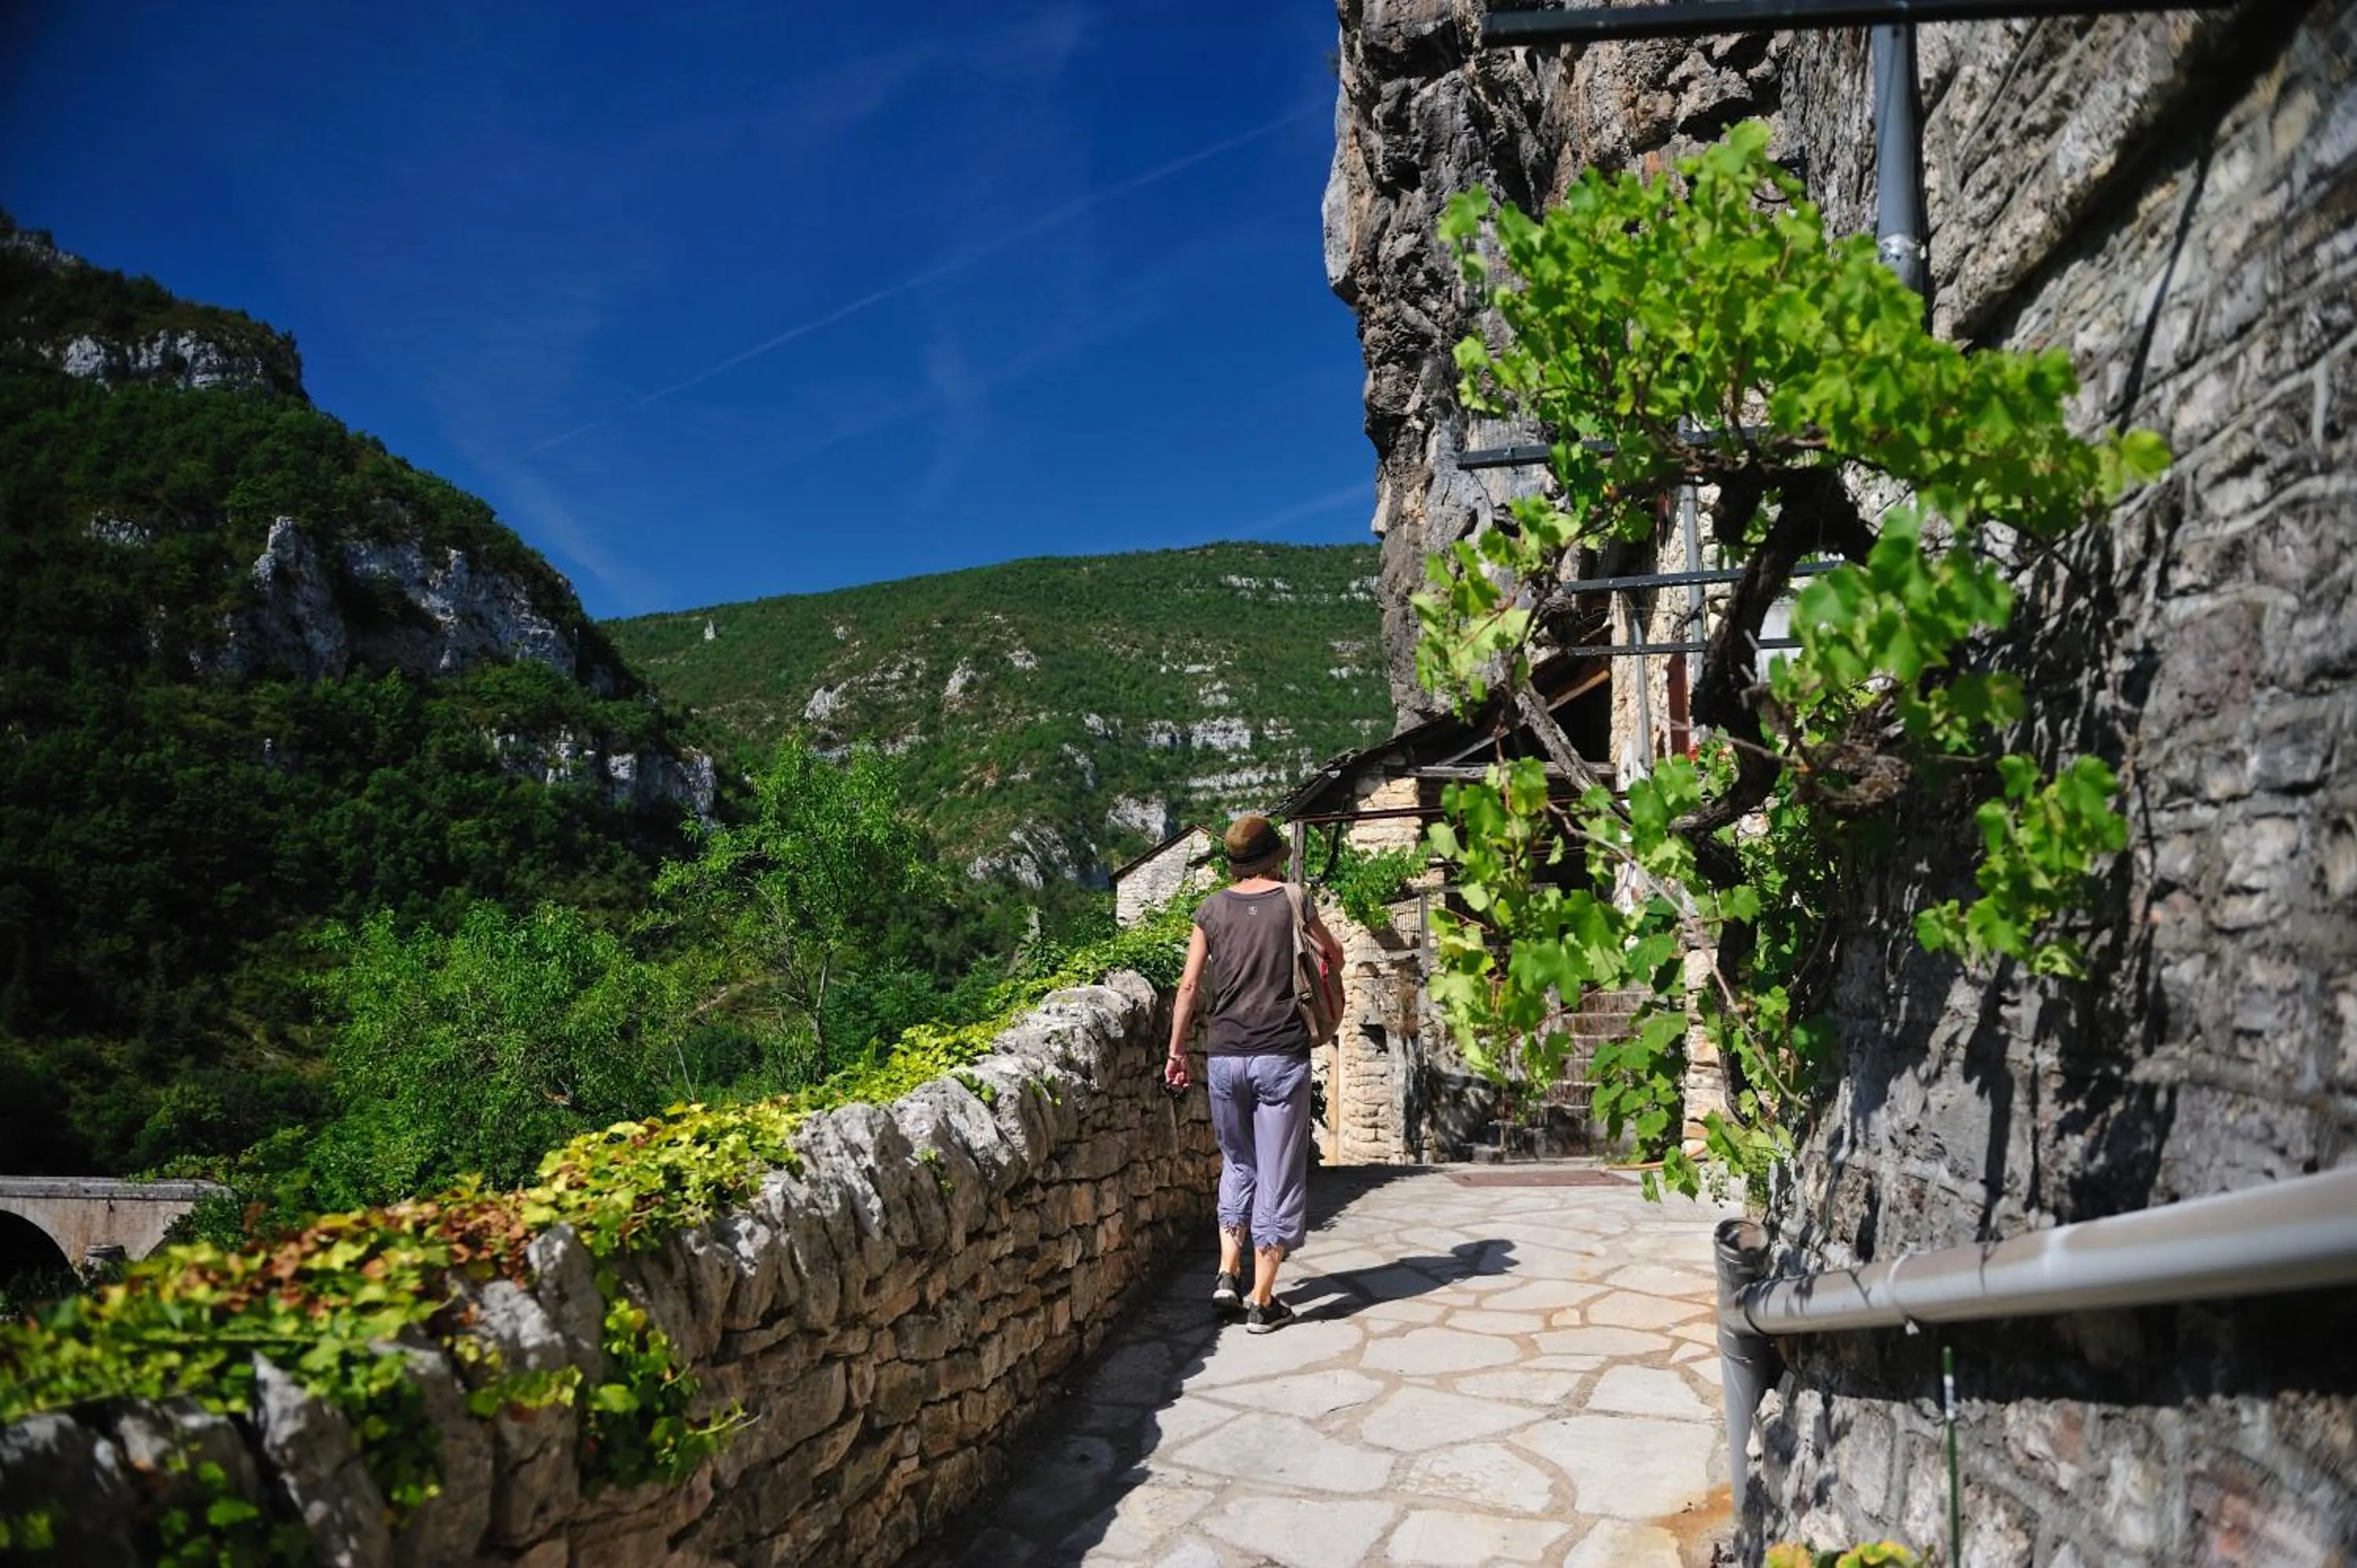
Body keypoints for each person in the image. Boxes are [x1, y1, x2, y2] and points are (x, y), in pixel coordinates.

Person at [1163, 814, 1343, 1333]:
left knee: (1238, 1163)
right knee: (1280, 1174)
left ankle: (1225, 1273)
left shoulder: (1211, 909)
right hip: (1281, 1053)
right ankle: (1263, 1302)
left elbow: (1190, 986)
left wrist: (1177, 1052)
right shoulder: (1294, 900)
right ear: (1274, 857)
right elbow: (1331, 952)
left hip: (1224, 1054)